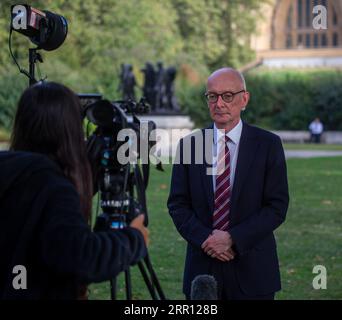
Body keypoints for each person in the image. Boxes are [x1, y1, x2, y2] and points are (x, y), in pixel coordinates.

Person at [0, 81, 149, 299]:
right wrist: (133, 239)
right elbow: (78, 257)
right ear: (69, 129)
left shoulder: (13, 172)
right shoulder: (51, 185)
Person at [167, 67, 289, 300]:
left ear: (244, 99)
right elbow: (178, 205)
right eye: (212, 96)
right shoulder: (190, 145)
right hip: (202, 269)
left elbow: (276, 207)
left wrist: (232, 238)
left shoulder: (268, 145)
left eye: (228, 96)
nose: (219, 103)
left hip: (253, 270)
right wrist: (207, 239)